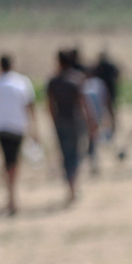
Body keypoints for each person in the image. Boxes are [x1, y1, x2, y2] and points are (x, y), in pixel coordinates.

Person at [0, 54, 38, 216]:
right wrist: (33, 127)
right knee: (14, 161)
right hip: (18, 127)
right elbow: (29, 105)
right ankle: (12, 196)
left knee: (7, 161)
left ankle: (10, 196)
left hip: (2, 127)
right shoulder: (22, 82)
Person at [46, 49, 96, 206]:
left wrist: (54, 121)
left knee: (65, 154)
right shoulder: (77, 79)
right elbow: (83, 104)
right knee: (75, 153)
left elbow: (50, 106)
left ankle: (70, 186)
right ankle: (74, 184)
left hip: (61, 121)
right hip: (76, 121)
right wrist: (91, 120)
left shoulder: (53, 82)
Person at [81, 65, 111, 175]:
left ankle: (92, 163)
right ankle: (93, 163)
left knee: (91, 141)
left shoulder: (85, 85)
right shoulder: (98, 84)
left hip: (89, 118)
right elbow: (105, 100)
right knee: (93, 141)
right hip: (95, 117)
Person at [94, 51, 120, 136]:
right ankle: (111, 125)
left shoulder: (99, 66)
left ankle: (108, 126)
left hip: (103, 90)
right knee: (110, 109)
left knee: (104, 109)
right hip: (110, 89)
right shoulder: (109, 66)